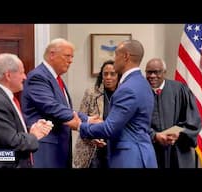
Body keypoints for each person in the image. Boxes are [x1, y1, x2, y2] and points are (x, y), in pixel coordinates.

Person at [67, 39, 157, 168]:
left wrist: (80, 126)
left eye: (116, 54)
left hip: (129, 158)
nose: (114, 59)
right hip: (142, 155)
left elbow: (109, 128)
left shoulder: (128, 88)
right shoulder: (142, 83)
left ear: (125, 56)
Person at [21, 38, 89, 168]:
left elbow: (64, 108)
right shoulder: (38, 76)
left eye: (72, 57)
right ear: (52, 54)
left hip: (60, 150)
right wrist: (86, 121)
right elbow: (52, 107)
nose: (70, 61)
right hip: (46, 149)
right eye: (67, 56)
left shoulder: (57, 79)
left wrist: (85, 120)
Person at [0, 53, 53, 168]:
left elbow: (8, 131)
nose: (25, 77)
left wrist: (32, 129)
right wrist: (34, 135)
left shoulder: (2, 96)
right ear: (8, 75)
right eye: (22, 72)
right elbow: (12, 142)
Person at [145, 58, 202, 168]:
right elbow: (136, 122)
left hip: (178, 151)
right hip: (152, 150)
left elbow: (193, 120)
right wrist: (154, 135)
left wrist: (179, 134)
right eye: (149, 72)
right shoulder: (141, 92)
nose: (152, 76)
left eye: (156, 72)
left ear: (164, 72)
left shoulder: (180, 89)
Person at [73, 60, 120, 168]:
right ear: (101, 76)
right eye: (105, 74)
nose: (108, 77)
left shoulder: (122, 95)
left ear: (118, 76)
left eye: (112, 74)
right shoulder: (91, 93)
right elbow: (80, 117)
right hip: (92, 148)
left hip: (115, 148)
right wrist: (92, 136)